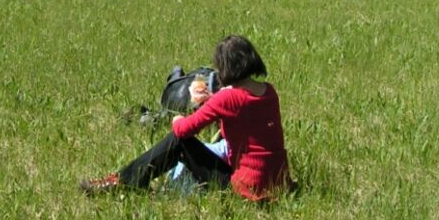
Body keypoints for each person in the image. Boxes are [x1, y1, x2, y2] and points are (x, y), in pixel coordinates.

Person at [79, 35, 291, 202]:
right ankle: (127, 180)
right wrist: (212, 100)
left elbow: (183, 130)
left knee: (179, 140)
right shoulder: (268, 92)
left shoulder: (227, 98)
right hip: (277, 182)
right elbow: (243, 115)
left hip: (246, 188)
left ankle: (123, 182)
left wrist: (178, 119)